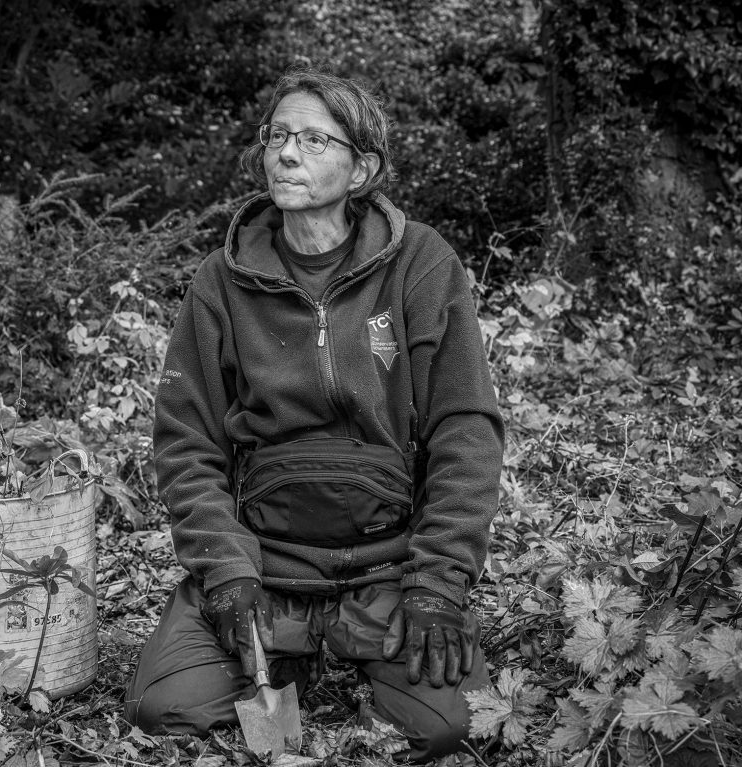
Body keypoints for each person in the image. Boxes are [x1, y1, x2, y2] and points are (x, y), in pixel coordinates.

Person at [125, 65, 504, 763]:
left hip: (386, 564)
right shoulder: (222, 279)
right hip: (266, 562)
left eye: (312, 140)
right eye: (277, 136)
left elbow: (465, 430)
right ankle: (285, 650)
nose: (287, 153)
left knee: (446, 723)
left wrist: (437, 584)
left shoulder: (420, 263)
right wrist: (224, 570)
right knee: (162, 704)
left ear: (361, 169)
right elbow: (186, 441)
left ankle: (358, 641)